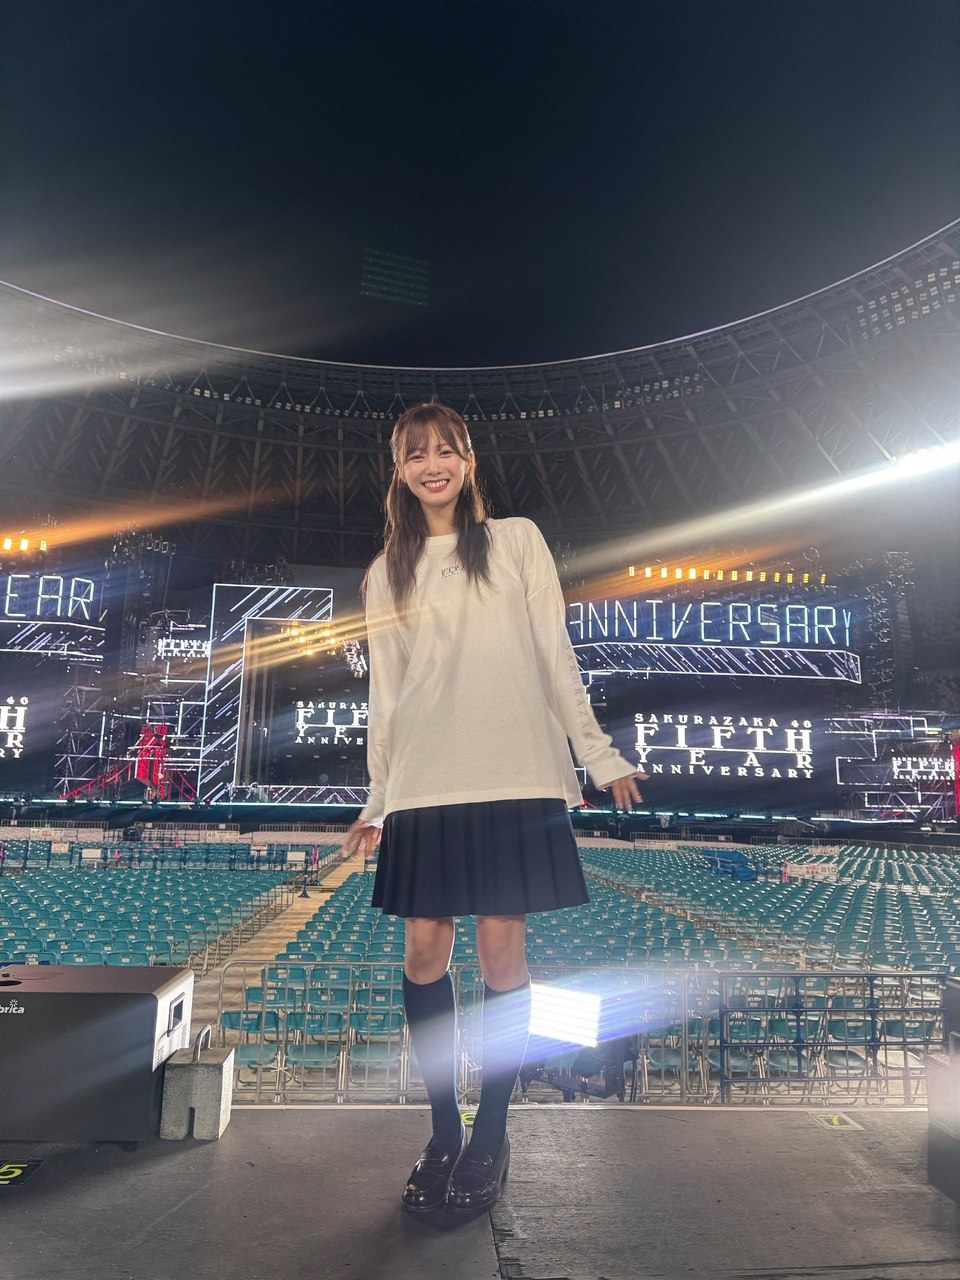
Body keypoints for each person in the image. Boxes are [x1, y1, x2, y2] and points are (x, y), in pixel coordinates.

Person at [343, 401, 642, 1217]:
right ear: (399, 471)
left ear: (468, 460)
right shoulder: (388, 570)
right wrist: (378, 799)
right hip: (427, 781)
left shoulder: (516, 541)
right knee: (423, 952)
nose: (432, 464)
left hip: (514, 772)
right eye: (415, 454)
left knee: (503, 954)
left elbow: (554, 654)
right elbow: (387, 695)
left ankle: (492, 1133)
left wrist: (599, 754)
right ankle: (444, 1130)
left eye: (445, 450)